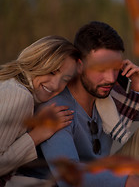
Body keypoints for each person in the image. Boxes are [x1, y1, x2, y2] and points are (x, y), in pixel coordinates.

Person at [21, 21, 139, 187]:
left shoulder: (115, 96)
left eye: (115, 68)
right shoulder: (56, 108)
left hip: (108, 171)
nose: (110, 79)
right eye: (101, 69)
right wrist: (124, 181)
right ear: (79, 66)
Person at [0, 36, 80, 186]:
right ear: (37, 62)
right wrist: (38, 134)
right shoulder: (19, 95)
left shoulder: (11, 83)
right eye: (52, 72)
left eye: (65, 79)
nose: (56, 85)